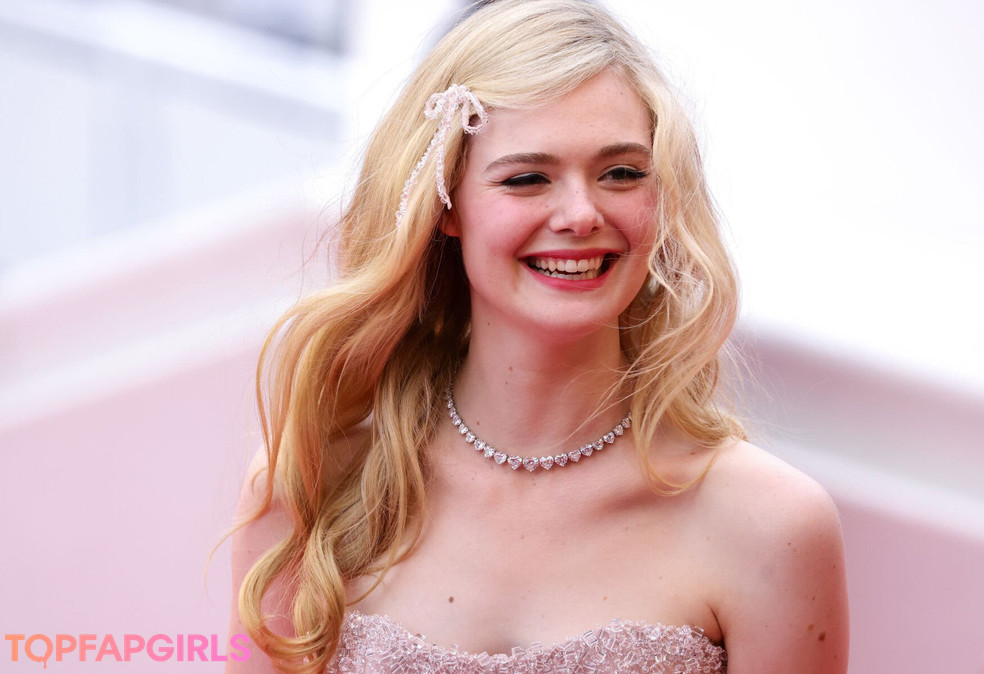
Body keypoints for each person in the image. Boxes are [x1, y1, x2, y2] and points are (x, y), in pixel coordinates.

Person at [225, 1, 849, 672]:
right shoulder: (311, 484)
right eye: (527, 178)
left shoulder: (772, 526)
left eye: (621, 173)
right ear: (446, 205)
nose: (581, 215)